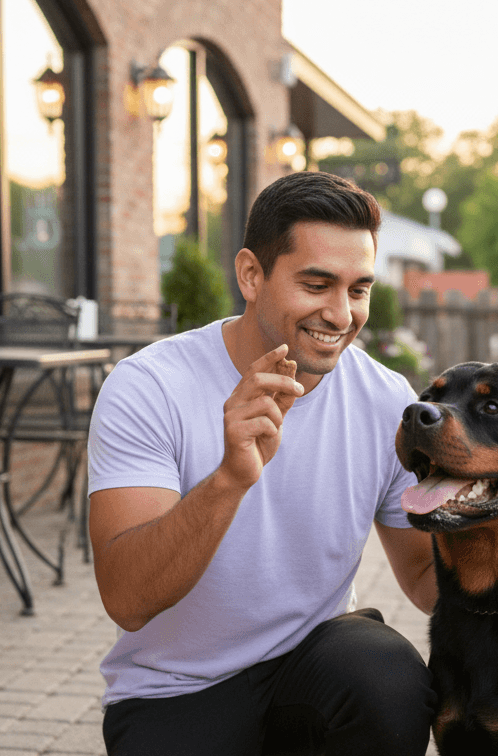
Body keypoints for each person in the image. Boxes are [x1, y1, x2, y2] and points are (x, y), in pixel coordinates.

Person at [85, 171, 437, 755]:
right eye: (317, 284)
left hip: (311, 673)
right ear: (251, 275)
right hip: (174, 691)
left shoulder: (386, 399)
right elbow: (127, 598)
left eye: (357, 289)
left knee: (385, 674)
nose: (341, 313)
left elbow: (427, 581)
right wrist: (229, 479)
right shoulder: (150, 386)